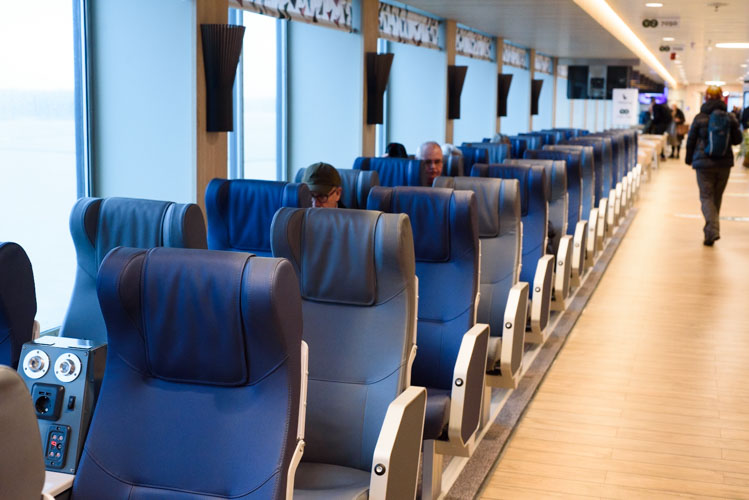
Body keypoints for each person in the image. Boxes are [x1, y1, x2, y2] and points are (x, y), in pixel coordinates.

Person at [685, 85, 742, 246]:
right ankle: (710, 233)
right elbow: (737, 140)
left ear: (706, 98)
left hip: (703, 164)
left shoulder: (700, 117)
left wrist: (689, 159)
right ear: (721, 98)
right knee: (716, 197)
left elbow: (691, 140)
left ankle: (712, 229)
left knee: (706, 196)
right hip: (724, 164)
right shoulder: (730, 117)